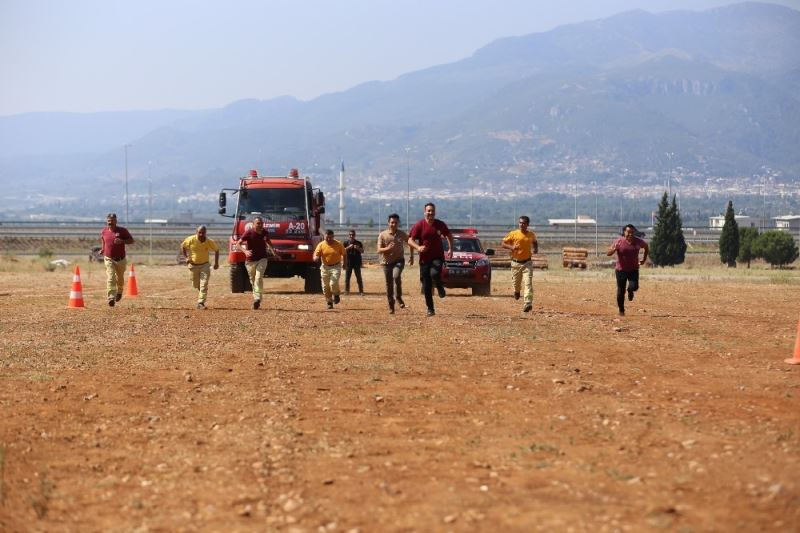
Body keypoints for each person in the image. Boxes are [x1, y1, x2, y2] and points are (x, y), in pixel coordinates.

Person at [408, 203, 453, 317]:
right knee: (426, 285)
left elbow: (449, 236)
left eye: (432, 211)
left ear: (435, 212)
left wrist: (450, 249)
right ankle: (430, 308)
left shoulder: (440, 224)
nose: (430, 213)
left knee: (435, 273)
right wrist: (418, 248)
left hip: (437, 257)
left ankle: (439, 286)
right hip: (424, 260)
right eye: (428, 211)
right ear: (424, 212)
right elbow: (410, 240)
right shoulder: (419, 225)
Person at [607, 224, 650, 316]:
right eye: (628, 232)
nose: (630, 234)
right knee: (620, 291)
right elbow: (608, 253)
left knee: (634, 287)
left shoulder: (639, 241)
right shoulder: (618, 241)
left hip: (633, 269)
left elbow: (646, 247)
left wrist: (644, 259)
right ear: (624, 232)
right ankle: (621, 310)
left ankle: (630, 291)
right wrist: (614, 250)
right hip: (621, 270)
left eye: (632, 232)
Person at [236, 216, 277, 310]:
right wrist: (245, 251)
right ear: (253, 224)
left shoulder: (265, 232)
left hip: (262, 259)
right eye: (258, 223)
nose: (260, 225)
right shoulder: (249, 232)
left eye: (261, 223)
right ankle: (257, 298)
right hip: (250, 261)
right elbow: (238, 244)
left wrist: (274, 252)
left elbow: (268, 242)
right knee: (253, 280)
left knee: (259, 278)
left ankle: (257, 298)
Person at [376, 213, 415, 314]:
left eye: (396, 222)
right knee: (389, 284)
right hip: (386, 263)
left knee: (396, 276)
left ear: (398, 223)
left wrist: (411, 256)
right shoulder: (382, 235)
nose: (394, 224)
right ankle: (391, 305)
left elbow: (410, 242)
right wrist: (388, 248)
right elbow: (379, 250)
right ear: (388, 223)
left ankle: (398, 297)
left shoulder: (401, 234)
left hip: (399, 260)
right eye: (392, 222)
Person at [502, 215, 538, 313]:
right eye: (520, 223)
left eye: (523, 223)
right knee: (516, 283)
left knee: (528, 283)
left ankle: (528, 303)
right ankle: (517, 291)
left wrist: (535, 249)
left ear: (527, 224)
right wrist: (512, 247)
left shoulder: (531, 235)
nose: (521, 225)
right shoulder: (513, 234)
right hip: (516, 263)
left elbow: (535, 242)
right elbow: (503, 244)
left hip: (527, 263)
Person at [181, 225, 220, 309]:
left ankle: (201, 302)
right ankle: (202, 290)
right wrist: (186, 257)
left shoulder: (209, 241)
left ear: (206, 233)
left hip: (205, 265)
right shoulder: (191, 239)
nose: (201, 234)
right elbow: (183, 246)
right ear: (196, 232)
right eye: (200, 232)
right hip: (193, 266)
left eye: (203, 233)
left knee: (204, 283)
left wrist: (216, 263)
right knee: (195, 284)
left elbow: (216, 250)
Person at [100, 212, 134, 307]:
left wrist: (122, 241)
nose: (110, 222)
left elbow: (131, 240)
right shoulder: (104, 231)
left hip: (120, 259)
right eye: (108, 221)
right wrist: (102, 249)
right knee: (111, 277)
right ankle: (111, 297)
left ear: (116, 221)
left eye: (112, 221)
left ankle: (119, 291)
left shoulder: (122, 231)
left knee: (120, 278)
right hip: (108, 258)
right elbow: (103, 240)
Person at [314, 229, 347, 310]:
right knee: (325, 287)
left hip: (336, 267)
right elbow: (316, 254)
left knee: (333, 283)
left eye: (330, 237)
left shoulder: (338, 244)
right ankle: (329, 302)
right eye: (327, 237)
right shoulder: (321, 245)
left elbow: (344, 254)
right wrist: (316, 258)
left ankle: (336, 294)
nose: (329, 239)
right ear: (324, 236)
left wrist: (345, 264)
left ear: (333, 237)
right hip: (325, 267)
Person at [344, 229, 364, 295]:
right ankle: (347, 291)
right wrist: (348, 248)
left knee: (359, 278)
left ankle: (361, 291)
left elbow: (362, 251)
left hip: (357, 263)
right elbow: (342, 252)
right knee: (347, 278)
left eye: (353, 235)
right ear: (348, 235)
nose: (351, 236)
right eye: (350, 235)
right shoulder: (345, 243)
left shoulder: (359, 243)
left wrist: (358, 248)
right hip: (348, 262)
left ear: (355, 235)